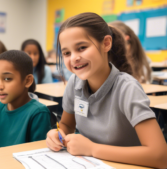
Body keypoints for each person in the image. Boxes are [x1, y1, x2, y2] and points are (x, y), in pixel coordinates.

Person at [46, 12, 167, 169]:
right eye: (66, 53)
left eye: (81, 48)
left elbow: (161, 156)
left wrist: (93, 149)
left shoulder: (127, 88)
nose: (74, 57)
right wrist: (57, 134)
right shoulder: (74, 84)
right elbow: (66, 126)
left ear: (106, 43)